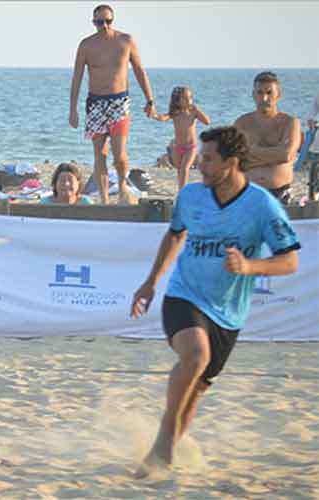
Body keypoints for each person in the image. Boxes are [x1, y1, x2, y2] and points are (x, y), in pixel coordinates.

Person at [130, 126, 301, 478]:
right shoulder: (191, 196)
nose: (200, 166)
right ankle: (164, 434)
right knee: (195, 355)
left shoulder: (262, 206)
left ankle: (158, 459)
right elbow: (175, 236)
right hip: (184, 295)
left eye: (207, 159)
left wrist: (250, 265)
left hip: (228, 313)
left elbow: (290, 261)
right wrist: (150, 283)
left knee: (195, 394)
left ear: (231, 162)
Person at [69, 4, 155, 205]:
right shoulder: (86, 45)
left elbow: (140, 71)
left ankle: (123, 185)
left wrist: (149, 100)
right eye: (100, 22)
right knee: (100, 154)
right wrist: (72, 110)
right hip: (96, 103)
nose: (104, 26)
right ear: (94, 23)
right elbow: (77, 78)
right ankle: (105, 199)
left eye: (108, 21)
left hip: (119, 102)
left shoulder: (126, 41)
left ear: (112, 21)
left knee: (120, 155)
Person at [234, 71, 301, 204]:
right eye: (260, 93)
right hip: (246, 192)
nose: (264, 98)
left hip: (280, 193)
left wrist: (250, 151)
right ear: (253, 95)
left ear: (278, 95)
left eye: (269, 93)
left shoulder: (289, 122)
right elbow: (234, 159)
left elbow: (286, 155)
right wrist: (273, 157)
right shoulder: (242, 123)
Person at [152, 86, 211, 192]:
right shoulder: (175, 113)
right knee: (180, 170)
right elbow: (163, 118)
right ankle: (182, 189)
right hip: (177, 147)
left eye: (190, 97)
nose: (189, 100)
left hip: (191, 146)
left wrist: (198, 110)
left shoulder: (193, 112)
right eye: (185, 98)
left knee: (184, 168)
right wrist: (155, 115)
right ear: (178, 100)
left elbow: (207, 122)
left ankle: (182, 193)